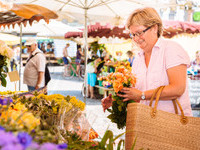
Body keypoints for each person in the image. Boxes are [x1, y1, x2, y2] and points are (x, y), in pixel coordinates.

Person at [102, 7, 192, 116]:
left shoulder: (171, 49)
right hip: (146, 124)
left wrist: (142, 95)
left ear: (154, 28)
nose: (135, 38)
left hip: (172, 125)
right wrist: (116, 102)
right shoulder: (138, 58)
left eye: (139, 33)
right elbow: (137, 96)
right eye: (132, 34)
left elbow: (178, 89)